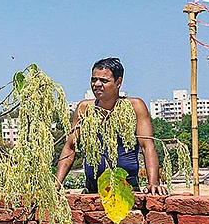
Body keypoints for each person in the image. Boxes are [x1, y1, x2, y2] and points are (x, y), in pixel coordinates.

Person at [55, 58, 168, 195]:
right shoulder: (84, 108)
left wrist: (153, 183)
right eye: (94, 79)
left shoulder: (135, 107)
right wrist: (57, 184)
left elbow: (147, 146)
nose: (97, 84)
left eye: (104, 81)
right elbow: (70, 147)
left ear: (118, 82)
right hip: (93, 189)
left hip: (126, 187)